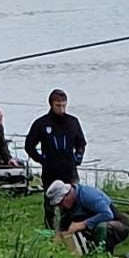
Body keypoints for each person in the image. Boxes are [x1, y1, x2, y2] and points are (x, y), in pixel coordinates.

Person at [25, 90, 86, 228]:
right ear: (51, 104)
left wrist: (79, 156)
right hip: (50, 170)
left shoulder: (73, 122)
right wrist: (41, 159)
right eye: (58, 105)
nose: (61, 109)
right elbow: (29, 146)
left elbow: (81, 143)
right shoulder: (41, 124)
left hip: (69, 170)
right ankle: (50, 228)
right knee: (50, 203)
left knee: (74, 201)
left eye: (64, 105)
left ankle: (73, 228)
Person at [47, 179, 129, 258]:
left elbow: (107, 214)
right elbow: (63, 225)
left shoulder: (87, 195)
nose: (61, 207)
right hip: (96, 226)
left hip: (118, 224)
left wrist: (82, 224)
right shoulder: (67, 205)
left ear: (67, 195)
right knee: (87, 251)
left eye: (61, 203)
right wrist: (57, 240)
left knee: (101, 228)